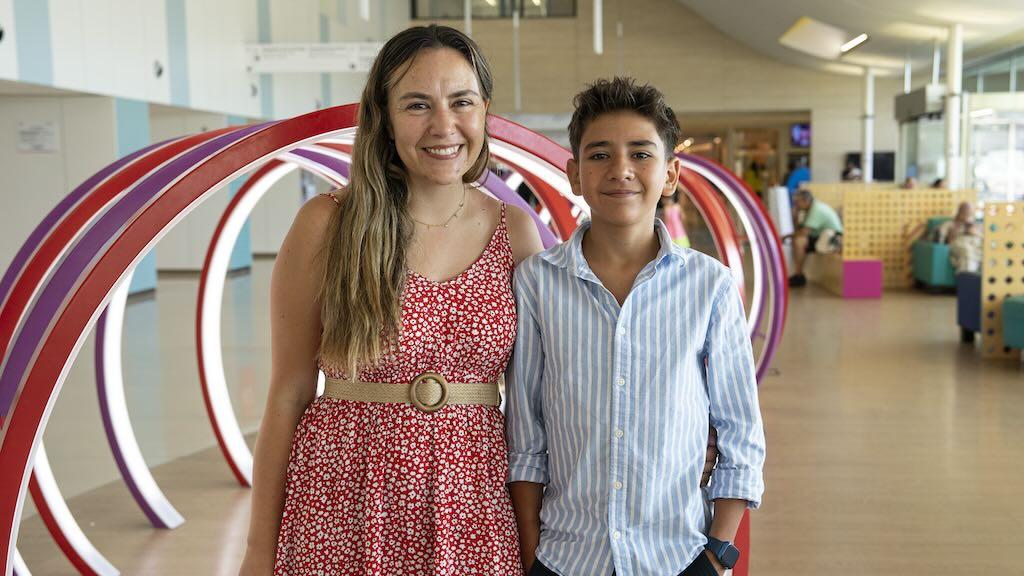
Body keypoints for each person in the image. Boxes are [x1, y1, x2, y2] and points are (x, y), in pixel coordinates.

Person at [237, 25, 549, 575]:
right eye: (416, 105)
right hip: (341, 507)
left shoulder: (515, 233)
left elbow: (537, 409)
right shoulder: (329, 226)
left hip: (471, 510)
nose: (443, 125)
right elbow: (287, 396)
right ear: (382, 116)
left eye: (461, 102)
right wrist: (259, 552)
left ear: (484, 112)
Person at [506, 77, 765, 576]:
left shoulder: (709, 286)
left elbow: (741, 431)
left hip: (679, 557)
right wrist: (533, 547)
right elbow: (526, 432)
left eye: (641, 154)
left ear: (670, 174)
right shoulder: (537, 282)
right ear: (574, 174)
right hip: (566, 557)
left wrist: (717, 554)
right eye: (599, 155)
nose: (620, 170)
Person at [786, 189, 843, 287]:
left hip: (832, 239)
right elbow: (800, 229)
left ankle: (798, 275)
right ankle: (798, 274)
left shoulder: (817, 209)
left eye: (797, 202)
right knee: (798, 240)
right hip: (821, 237)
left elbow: (803, 233)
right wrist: (794, 218)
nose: (796, 205)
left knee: (799, 241)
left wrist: (785, 237)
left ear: (805, 201)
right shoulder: (809, 209)